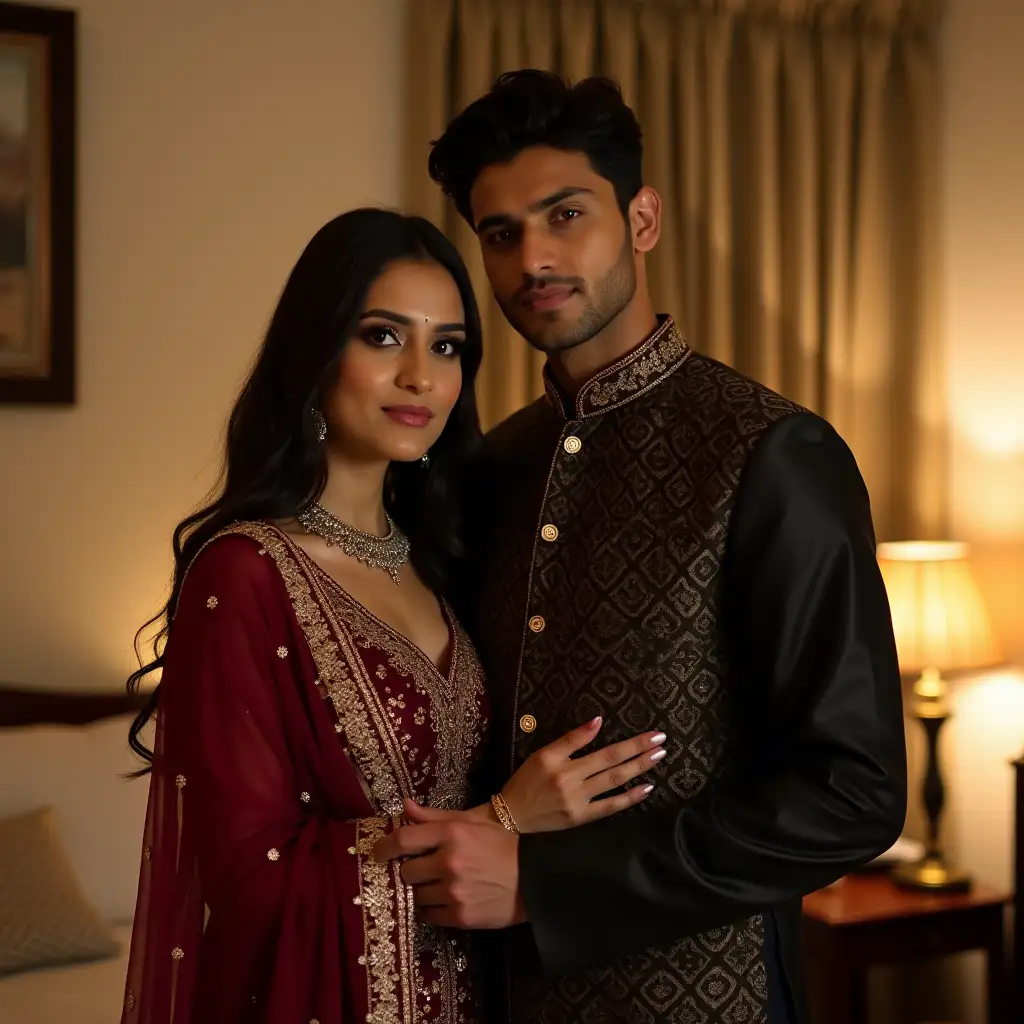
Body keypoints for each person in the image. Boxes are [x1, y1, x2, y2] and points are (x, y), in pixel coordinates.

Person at [374, 71, 908, 1023]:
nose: (533, 256)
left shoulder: (770, 453)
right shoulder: (491, 467)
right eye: (500, 233)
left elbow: (853, 795)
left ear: (643, 219)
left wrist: (552, 883)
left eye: (565, 214)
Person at [119, 208, 665, 1024]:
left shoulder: (440, 564)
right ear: (315, 355)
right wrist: (503, 820)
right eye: (383, 337)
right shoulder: (244, 574)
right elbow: (245, 881)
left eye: (446, 346)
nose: (422, 376)